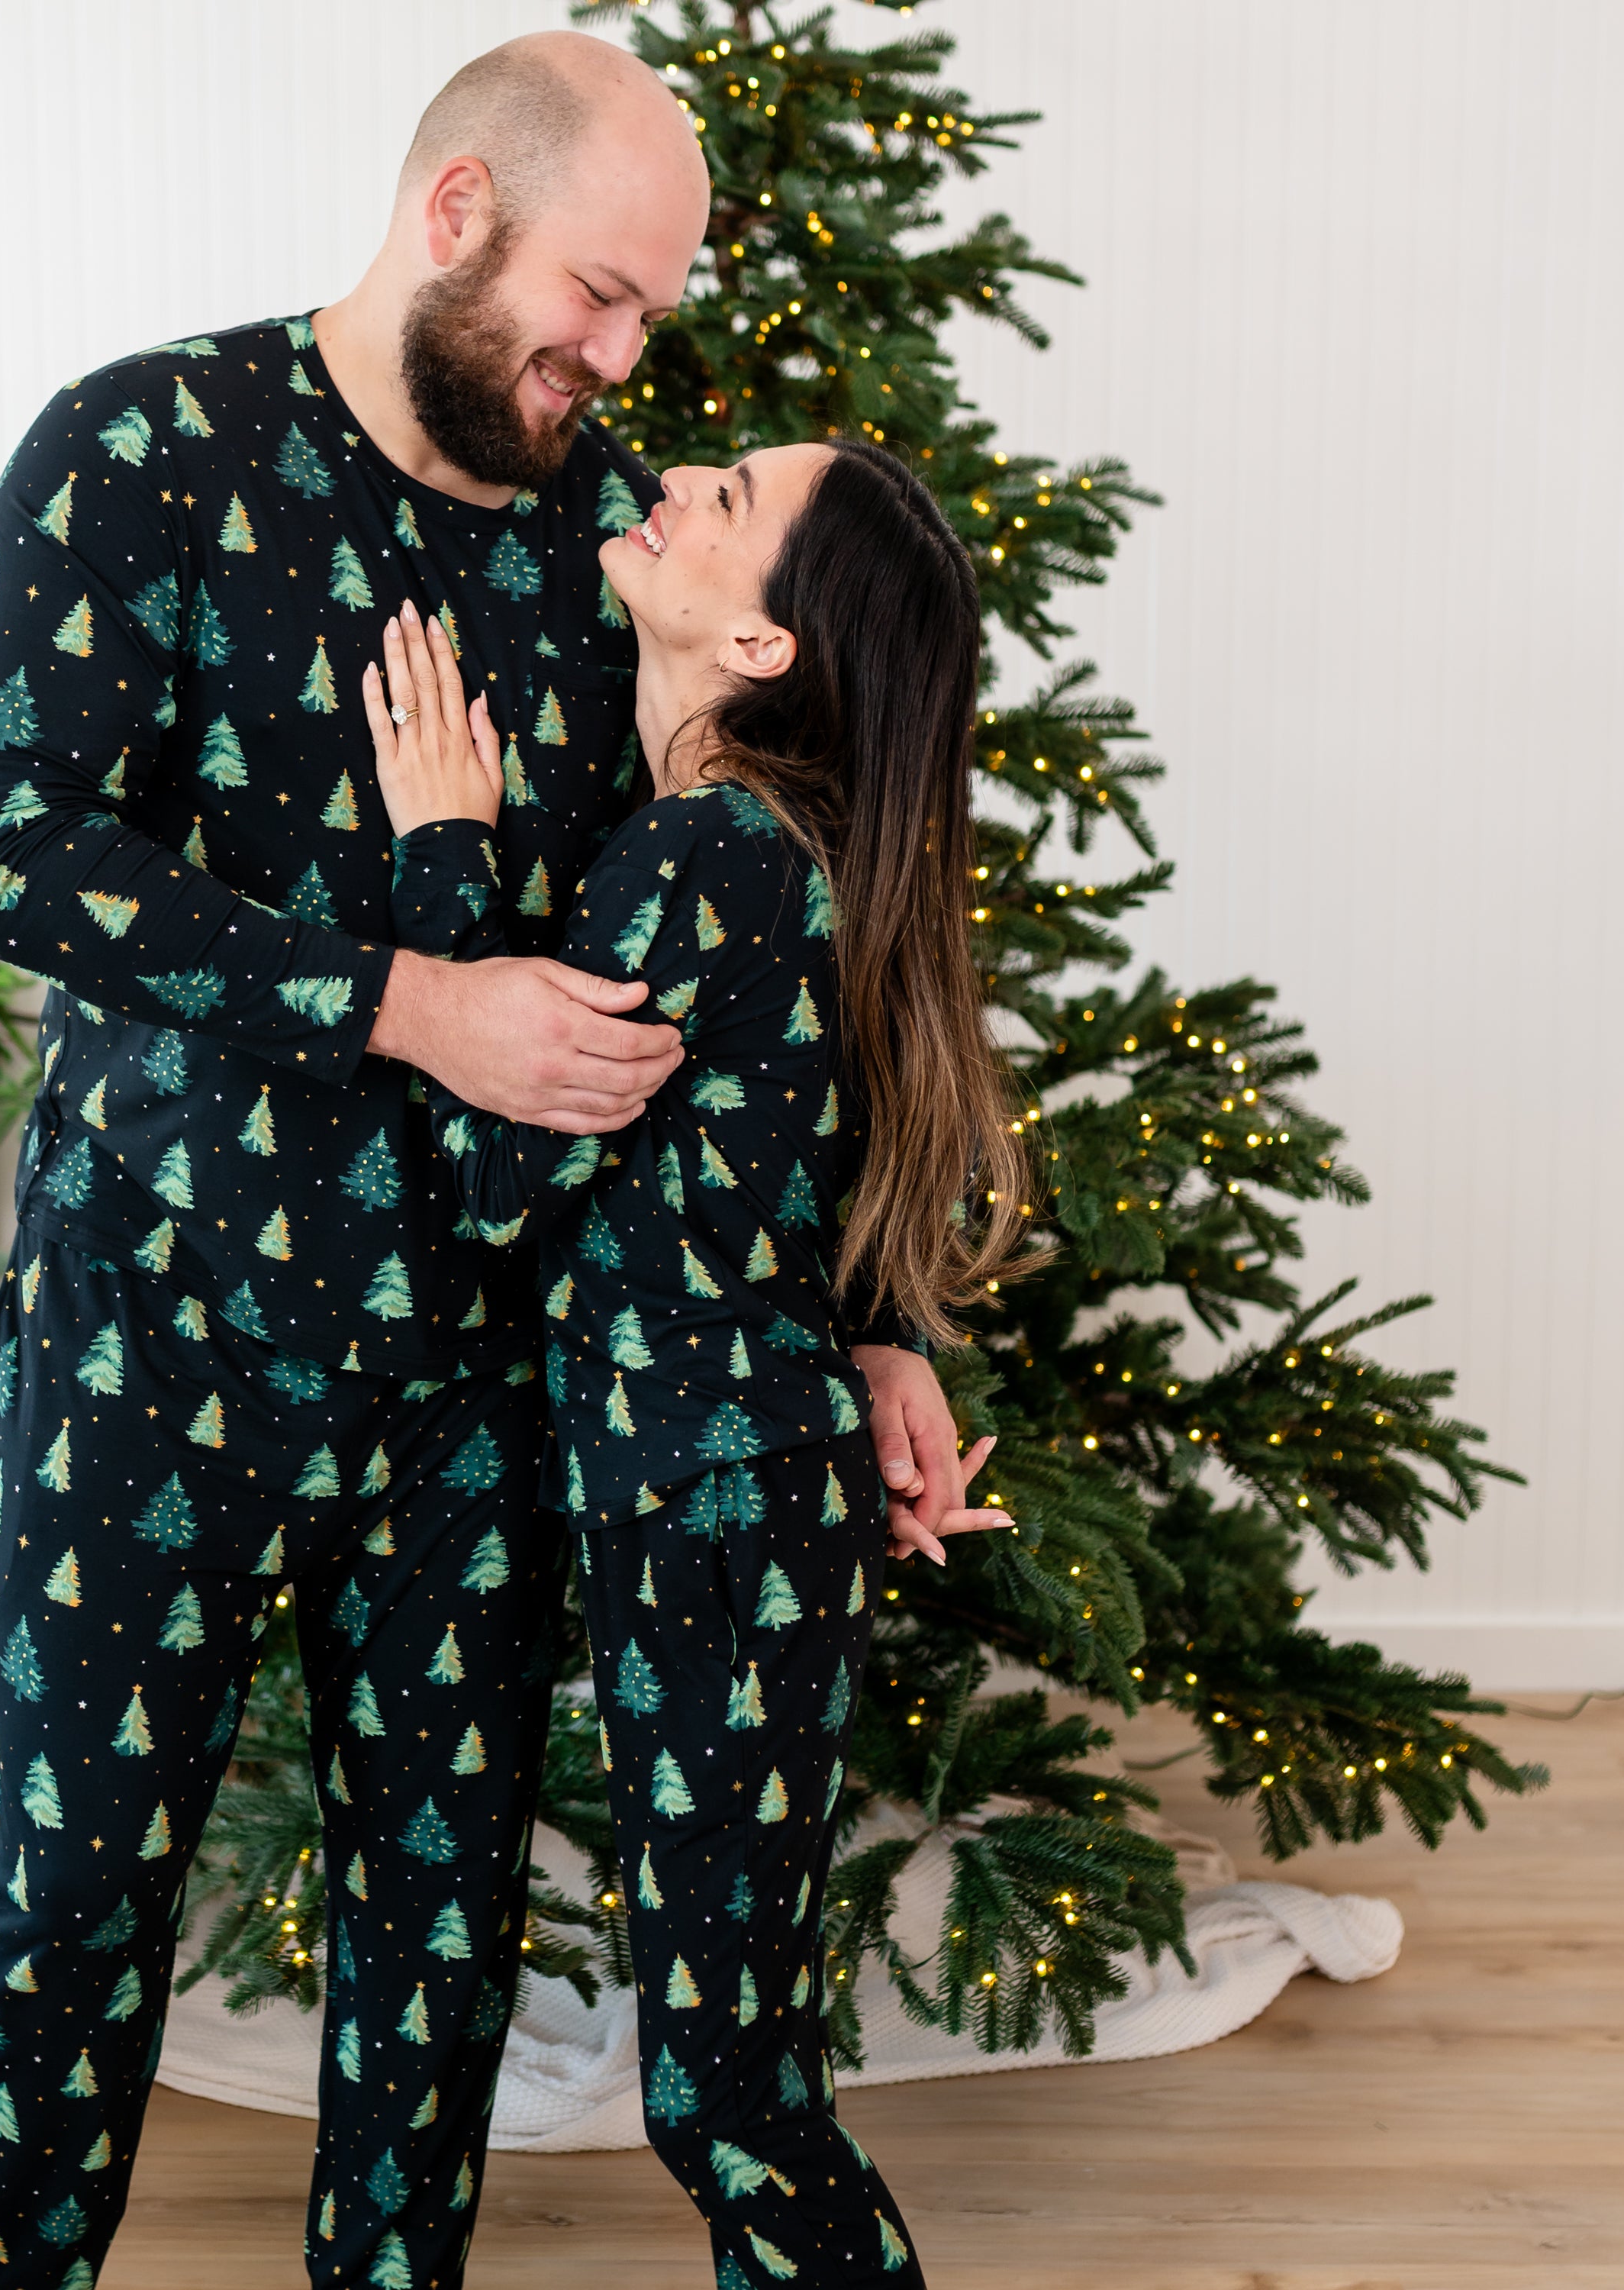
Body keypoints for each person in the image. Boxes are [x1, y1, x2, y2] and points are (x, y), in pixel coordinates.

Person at [0, 27, 979, 2289]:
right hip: (153, 1352)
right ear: (455, 215)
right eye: (600, 297)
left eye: (651, 324)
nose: (620, 362)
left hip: (487, 1391)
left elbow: (732, 985)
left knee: (435, 1941)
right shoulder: (141, 449)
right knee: (69, 1903)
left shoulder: (600, 563)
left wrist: (867, 1323)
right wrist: (411, 996)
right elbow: (18, 860)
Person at [361, 436, 1030, 2286]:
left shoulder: (698, 856)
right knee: (735, 2071)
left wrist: (440, 855)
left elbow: (497, 1180)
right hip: (733, 1498)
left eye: (726, 500)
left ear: (757, 646)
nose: (670, 482)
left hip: (719, 1511)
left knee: (725, 2092)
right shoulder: (754, 852)